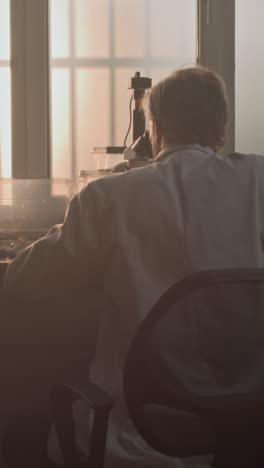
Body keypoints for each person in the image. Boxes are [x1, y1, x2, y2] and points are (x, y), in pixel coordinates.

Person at [4, 66, 264, 467]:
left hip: (140, 436)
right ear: (221, 130)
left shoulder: (109, 196)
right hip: (244, 429)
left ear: (154, 129)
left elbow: (24, 279)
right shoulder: (258, 181)